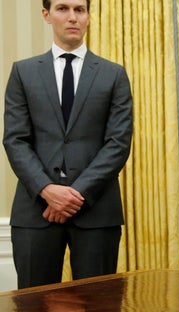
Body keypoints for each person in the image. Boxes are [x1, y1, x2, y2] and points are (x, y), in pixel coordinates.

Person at [2, 0, 133, 289]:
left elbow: (118, 143)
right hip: (35, 212)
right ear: (46, 15)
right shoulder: (23, 72)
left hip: (96, 212)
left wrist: (75, 195)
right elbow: (15, 140)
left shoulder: (114, 74)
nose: (72, 17)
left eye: (80, 9)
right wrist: (48, 191)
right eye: (63, 8)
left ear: (88, 16)